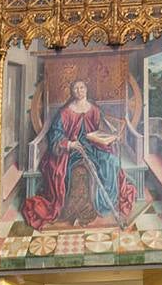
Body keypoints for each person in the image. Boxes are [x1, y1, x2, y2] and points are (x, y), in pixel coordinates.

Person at [21, 78, 136, 230]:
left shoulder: (94, 109)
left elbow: (104, 126)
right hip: (72, 151)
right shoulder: (65, 112)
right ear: (72, 92)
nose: (79, 91)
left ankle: (106, 202)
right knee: (79, 172)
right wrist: (69, 144)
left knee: (112, 161)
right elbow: (55, 135)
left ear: (86, 90)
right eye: (76, 88)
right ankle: (81, 211)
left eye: (81, 88)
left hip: (94, 146)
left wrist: (113, 133)